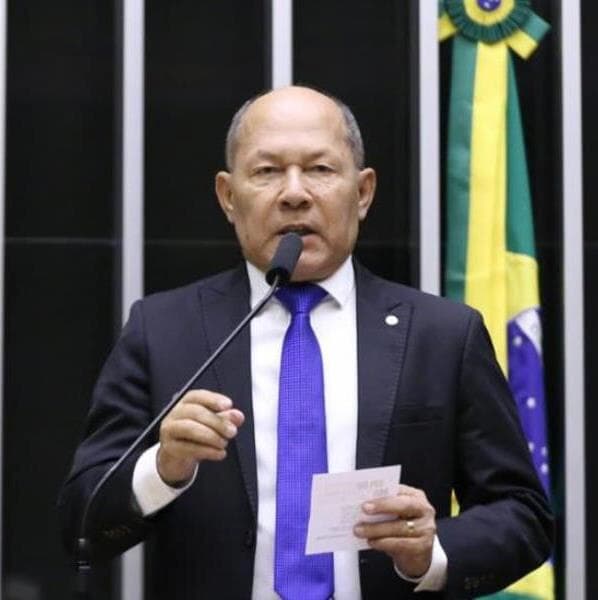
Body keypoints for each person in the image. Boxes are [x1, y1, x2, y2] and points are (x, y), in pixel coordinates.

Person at [59, 86, 553, 599]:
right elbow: (80, 524)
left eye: (319, 169)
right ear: (228, 197)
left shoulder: (443, 335)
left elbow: (523, 514)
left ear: (363, 192)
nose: (294, 193)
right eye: (267, 171)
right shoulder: (164, 330)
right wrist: (163, 469)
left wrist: (431, 554)